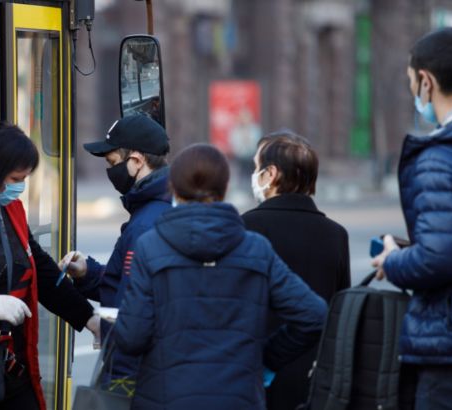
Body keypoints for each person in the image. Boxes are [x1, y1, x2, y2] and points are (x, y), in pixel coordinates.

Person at [114, 143, 328, 410]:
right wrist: (264, 358)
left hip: (165, 398)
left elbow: (131, 338)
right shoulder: (255, 249)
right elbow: (314, 315)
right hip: (239, 398)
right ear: (224, 189)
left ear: (174, 189)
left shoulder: (151, 247)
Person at [0, 123, 100, 410]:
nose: (19, 188)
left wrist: (89, 319)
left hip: (11, 362)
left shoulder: (9, 208)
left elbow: (41, 270)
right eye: (14, 178)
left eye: (24, 179)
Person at [372, 27, 452, 410]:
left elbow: (437, 258)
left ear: (427, 81)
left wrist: (393, 260)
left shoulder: (439, 157)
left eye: (411, 83)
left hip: (447, 349)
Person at [61, 114, 171, 394]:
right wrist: (88, 272)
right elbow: (127, 283)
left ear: (136, 161)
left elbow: (131, 312)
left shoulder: (146, 223)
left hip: (136, 376)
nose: (111, 172)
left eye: (112, 163)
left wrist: (116, 385)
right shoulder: (157, 208)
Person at [242, 130, 350, 409]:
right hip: (316, 381)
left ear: (271, 174)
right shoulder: (336, 235)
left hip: (258, 379)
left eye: (257, 168)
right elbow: (340, 311)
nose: (254, 174)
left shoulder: (246, 228)